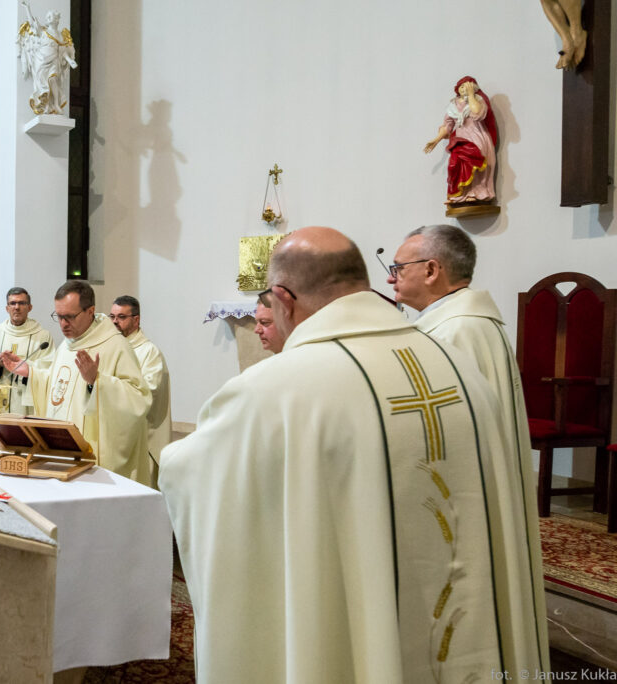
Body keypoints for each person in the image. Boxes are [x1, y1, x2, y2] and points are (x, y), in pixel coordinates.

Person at [159, 227, 547, 683]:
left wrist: (172, 459)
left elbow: (192, 472)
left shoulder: (274, 388)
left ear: (283, 299)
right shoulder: (456, 363)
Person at [389, 223, 548, 662]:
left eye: (399, 267)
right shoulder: (469, 323)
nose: (391, 276)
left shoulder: (452, 333)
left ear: (431, 270)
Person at [2, 280, 152, 486]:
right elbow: (58, 387)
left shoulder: (116, 345)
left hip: (96, 459)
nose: (63, 324)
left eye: (70, 317)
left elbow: (139, 398)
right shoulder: (66, 346)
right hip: (62, 453)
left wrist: (97, 382)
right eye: (59, 316)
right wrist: (31, 373)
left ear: (90, 311)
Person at [110, 295, 171, 488]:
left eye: (121, 317)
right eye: (112, 317)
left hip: (142, 437)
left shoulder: (149, 352)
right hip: (117, 434)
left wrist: (109, 386)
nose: (115, 322)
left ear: (136, 320)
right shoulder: (112, 348)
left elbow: (148, 391)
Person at [0, 287, 54, 416]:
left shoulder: (43, 336)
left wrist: (26, 367)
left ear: (30, 307)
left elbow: (48, 367)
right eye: (12, 303)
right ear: (7, 308)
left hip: (25, 404)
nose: (17, 307)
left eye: (22, 303)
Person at [424, 76, 498, 205]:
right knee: (454, 164)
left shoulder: (478, 100)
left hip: (477, 136)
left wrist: (471, 96)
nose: (464, 88)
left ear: (474, 88)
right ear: (457, 89)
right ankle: (459, 195)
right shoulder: (453, 105)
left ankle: (476, 192)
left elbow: (477, 113)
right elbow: (447, 126)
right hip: (460, 138)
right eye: (462, 86)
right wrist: (436, 140)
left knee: (476, 161)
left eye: (468, 86)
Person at [17, 0, 77, 115]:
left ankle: (56, 104)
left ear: (56, 19)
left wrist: (70, 61)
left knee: (53, 79)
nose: (48, 18)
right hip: (41, 59)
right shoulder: (43, 31)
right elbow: (32, 23)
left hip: (54, 60)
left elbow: (62, 51)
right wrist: (27, 8)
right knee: (43, 83)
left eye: (50, 16)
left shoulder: (60, 35)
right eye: (47, 16)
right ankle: (47, 105)